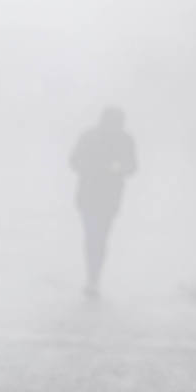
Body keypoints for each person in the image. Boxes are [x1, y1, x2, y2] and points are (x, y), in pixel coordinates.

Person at [69, 107, 136, 297]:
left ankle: (93, 277)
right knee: (95, 237)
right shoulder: (91, 137)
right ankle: (93, 277)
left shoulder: (124, 140)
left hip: (107, 197)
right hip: (92, 195)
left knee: (97, 237)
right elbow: (74, 161)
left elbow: (133, 166)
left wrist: (120, 168)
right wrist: (91, 167)